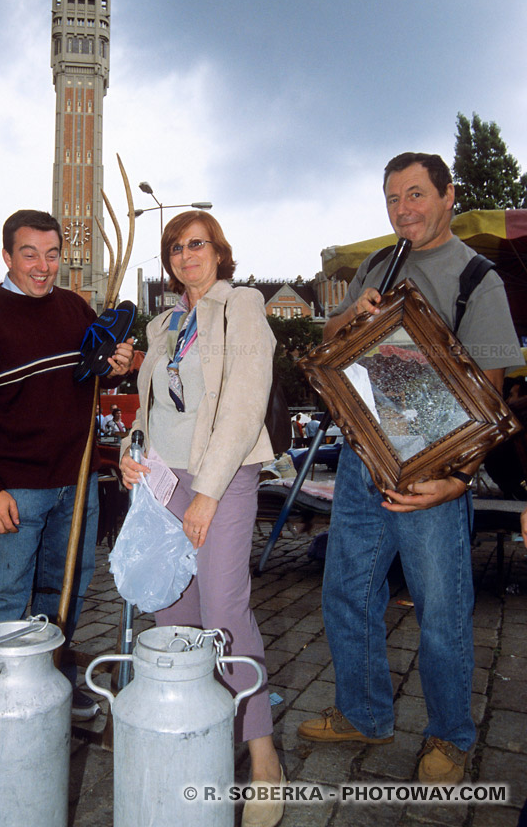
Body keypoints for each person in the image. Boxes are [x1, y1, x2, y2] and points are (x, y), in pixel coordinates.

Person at [297, 153, 523, 784]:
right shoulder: (378, 264)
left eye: (417, 195)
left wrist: (455, 482)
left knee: (440, 608)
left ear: (449, 196)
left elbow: (492, 398)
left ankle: (449, 735)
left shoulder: (478, 279)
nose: (404, 210)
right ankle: (363, 713)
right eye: (393, 199)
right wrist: (350, 315)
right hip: (362, 459)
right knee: (347, 590)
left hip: (432, 474)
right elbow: (331, 342)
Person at [120, 211, 285, 827]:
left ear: (219, 252)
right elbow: (148, 411)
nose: (188, 255)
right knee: (173, 613)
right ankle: (198, 742)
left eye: (199, 244)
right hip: (164, 481)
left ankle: (264, 761)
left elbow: (244, 400)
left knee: (223, 610)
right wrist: (129, 456)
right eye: (177, 247)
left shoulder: (239, 306)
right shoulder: (163, 324)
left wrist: (209, 492)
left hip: (223, 476)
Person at [0, 209, 133, 716]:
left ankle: (50, 694)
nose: (43, 266)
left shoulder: (73, 309)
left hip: (77, 482)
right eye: (30, 254)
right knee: (4, 599)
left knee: (62, 593)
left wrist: (115, 367)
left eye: (52, 255)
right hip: (15, 489)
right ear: (7, 256)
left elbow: (92, 376)